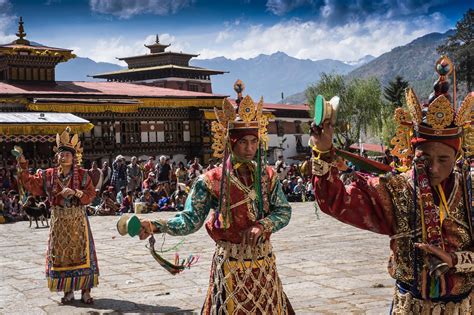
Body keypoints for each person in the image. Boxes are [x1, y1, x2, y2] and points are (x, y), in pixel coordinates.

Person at [310, 57, 474, 313]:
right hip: (411, 306)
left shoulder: (470, 191)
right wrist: (322, 152)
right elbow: (337, 201)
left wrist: (454, 260)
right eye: (424, 158)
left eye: (444, 159)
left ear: (458, 156)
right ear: (413, 152)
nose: (434, 168)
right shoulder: (397, 189)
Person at [138, 82, 294, 314]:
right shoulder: (210, 180)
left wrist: (262, 226)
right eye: (243, 142)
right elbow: (190, 220)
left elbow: (284, 211)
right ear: (231, 143)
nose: (250, 148)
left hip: (264, 263)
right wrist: (156, 225)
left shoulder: (268, 175)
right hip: (230, 263)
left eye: (253, 141)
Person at [15, 127, 99, 304]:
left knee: (82, 254)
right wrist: (23, 165)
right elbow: (30, 184)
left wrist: (76, 193)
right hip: (59, 221)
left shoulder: (83, 176)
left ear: (74, 157)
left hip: (78, 220)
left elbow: (90, 195)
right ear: (57, 157)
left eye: (67, 154)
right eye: (61, 154)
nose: (63, 157)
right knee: (61, 256)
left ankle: (85, 291)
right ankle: (67, 290)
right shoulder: (49, 176)